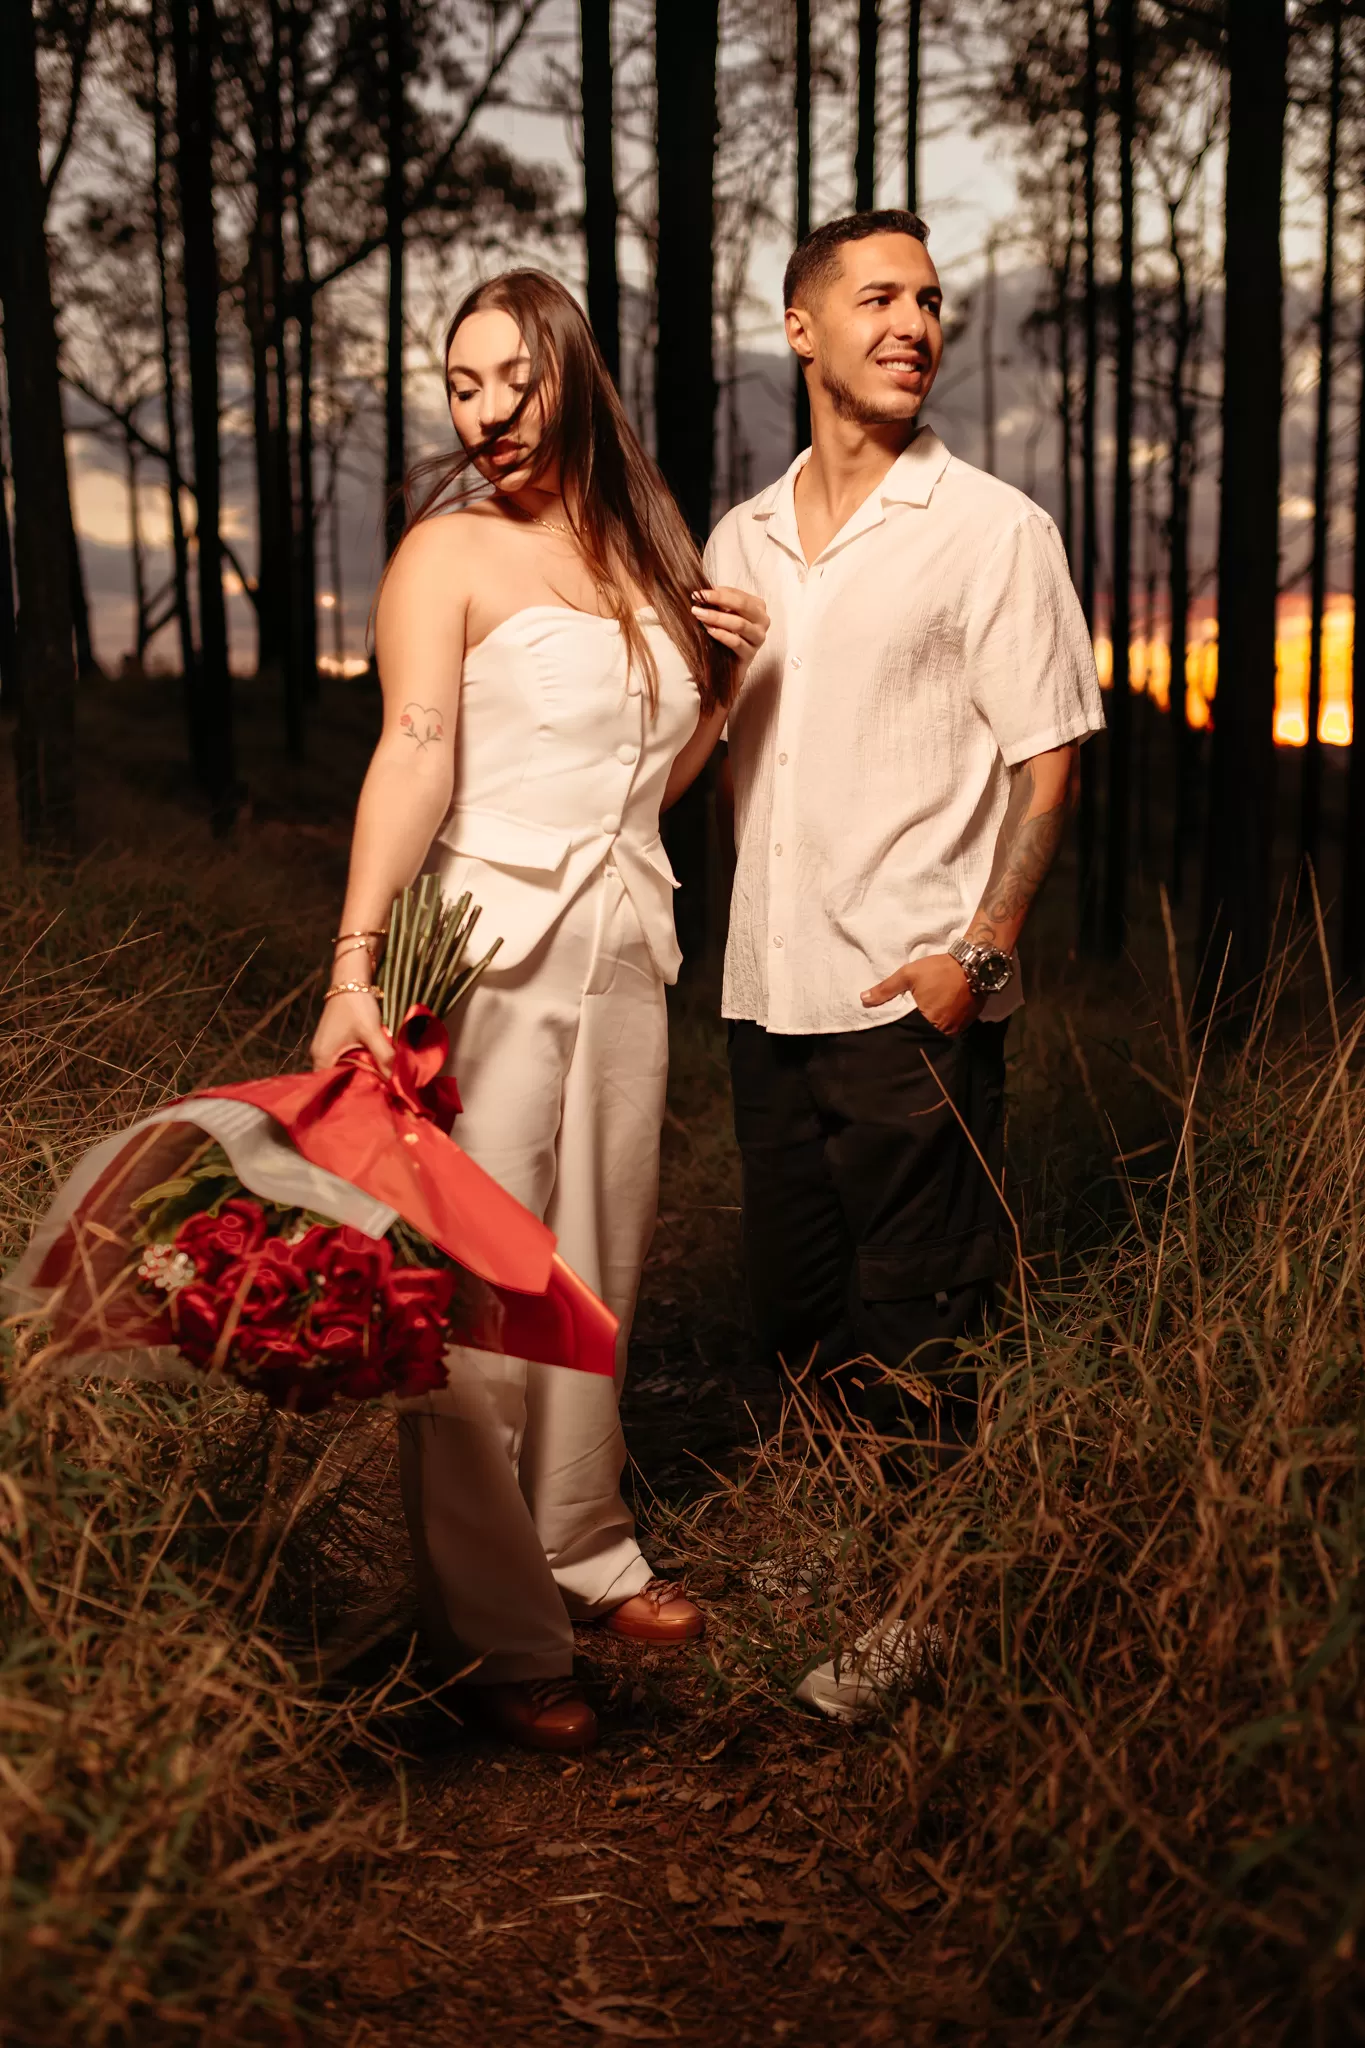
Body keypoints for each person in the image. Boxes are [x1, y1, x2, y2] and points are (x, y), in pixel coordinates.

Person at [310, 270, 767, 1753]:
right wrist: (355, 965)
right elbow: (414, 751)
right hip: (485, 952)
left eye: (515, 377)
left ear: (574, 373)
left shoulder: (645, 557)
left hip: (626, 944)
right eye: (462, 384)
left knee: (595, 1263)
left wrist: (721, 691)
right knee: (476, 1291)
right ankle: (497, 1628)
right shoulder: (447, 551)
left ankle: (584, 1546)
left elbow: (649, 786)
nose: (488, 411)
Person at [704, 210, 1104, 1721]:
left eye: (931, 301)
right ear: (800, 328)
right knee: (796, 1305)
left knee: (924, 1316)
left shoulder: (993, 529)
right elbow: (712, 759)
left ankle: (922, 1613)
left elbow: (1050, 759)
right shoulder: (738, 540)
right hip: (766, 993)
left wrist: (978, 959)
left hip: (912, 1000)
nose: (915, 324)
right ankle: (840, 1561)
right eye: (878, 298)